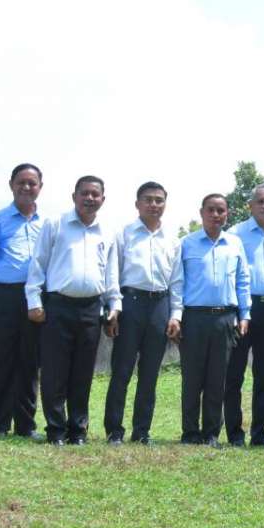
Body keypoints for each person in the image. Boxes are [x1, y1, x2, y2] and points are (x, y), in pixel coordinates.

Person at [26, 175, 120, 446]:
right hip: (57, 307)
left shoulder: (107, 231)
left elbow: (111, 273)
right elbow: (38, 264)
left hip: (91, 308)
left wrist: (114, 305)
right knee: (54, 372)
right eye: (84, 193)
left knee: (83, 373)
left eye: (95, 194)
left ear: (103, 199)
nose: (90, 198)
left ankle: (78, 431)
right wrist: (34, 301)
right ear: (74, 196)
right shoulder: (55, 224)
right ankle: (56, 430)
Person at [103, 181, 181, 445]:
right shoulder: (124, 234)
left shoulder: (172, 239)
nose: (153, 204)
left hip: (160, 305)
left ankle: (142, 431)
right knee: (122, 371)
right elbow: (113, 273)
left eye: (159, 200)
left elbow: (177, 281)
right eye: (148, 199)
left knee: (150, 374)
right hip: (130, 304)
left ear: (165, 204)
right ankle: (114, 430)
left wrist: (176, 314)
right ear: (137, 204)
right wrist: (114, 308)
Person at [170, 194, 251, 446]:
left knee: (218, 379)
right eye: (211, 210)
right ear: (201, 212)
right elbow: (178, 282)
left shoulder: (235, 244)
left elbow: (243, 280)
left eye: (221, 210)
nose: (216, 215)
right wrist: (177, 316)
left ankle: (211, 433)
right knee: (192, 379)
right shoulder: (187, 244)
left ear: (227, 214)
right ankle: (190, 432)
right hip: (194, 318)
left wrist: (245, 314)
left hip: (225, 318)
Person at [0, 162, 46, 437]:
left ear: (40, 187)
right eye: (21, 182)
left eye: (32, 183)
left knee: (29, 363)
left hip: (35, 298)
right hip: (3, 296)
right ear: (11, 185)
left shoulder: (48, 224)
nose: (26, 187)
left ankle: (25, 425)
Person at [224, 184, 264, 447]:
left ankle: (260, 433)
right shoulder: (235, 234)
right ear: (250, 205)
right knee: (234, 375)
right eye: (260, 201)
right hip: (243, 309)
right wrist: (238, 311)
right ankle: (234, 433)